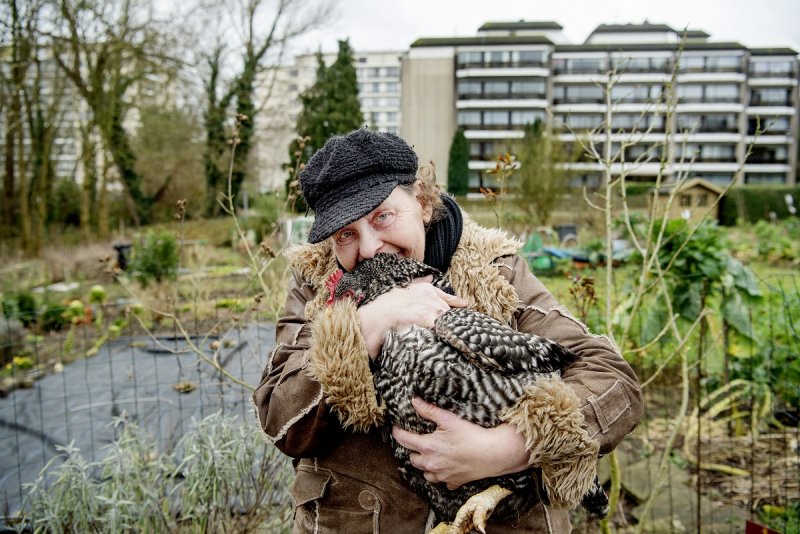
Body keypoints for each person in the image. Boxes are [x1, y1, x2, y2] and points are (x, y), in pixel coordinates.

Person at [253, 129, 642, 533]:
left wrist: (509, 447)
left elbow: (613, 379)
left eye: (382, 216)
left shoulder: (495, 270)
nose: (369, 248)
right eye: (345, 234)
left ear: (420, 201)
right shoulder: (319, 286)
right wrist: (367, 325)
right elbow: (280, 417)